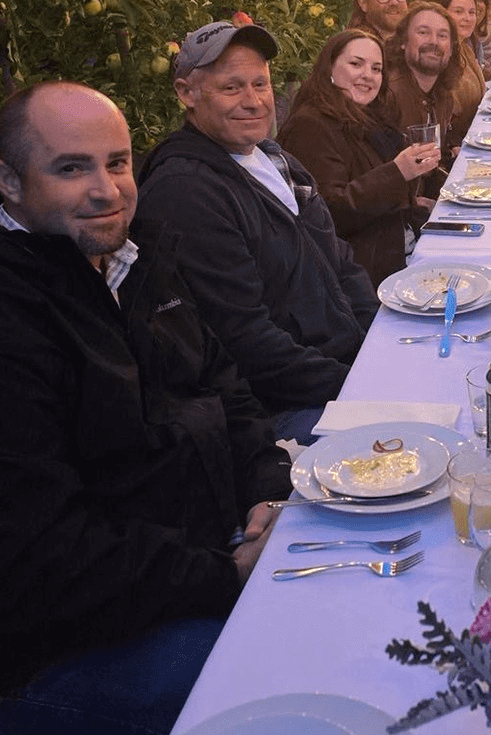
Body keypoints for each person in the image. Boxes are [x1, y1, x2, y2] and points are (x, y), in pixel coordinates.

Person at [0, 83, 291, 734]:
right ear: (10, 182)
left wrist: (269, 496)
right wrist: (227, 574)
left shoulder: (133, 260)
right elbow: (47, 555)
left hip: (196, 561)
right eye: (71, 167)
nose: (106, 190)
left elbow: (229, 392)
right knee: (292, 675)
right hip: (63, 649)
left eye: (117, 162)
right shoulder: (17, 314)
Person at [137, 20, 379, 439]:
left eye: (260, 85)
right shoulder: (187, 191)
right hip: (284, 410)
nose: (252, 101)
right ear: (186, 94)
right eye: (232, 88)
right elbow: (246, 342)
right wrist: (358, 385)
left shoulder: (274, 157)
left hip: (338, 370)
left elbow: (339, 260)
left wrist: (380, 345)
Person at [277, 30, 440, 287]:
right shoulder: (310, 126)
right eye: (356, 64)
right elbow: (330, 212)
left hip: (397, 243)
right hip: (363, 274)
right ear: (329, 68)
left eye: (376, 69)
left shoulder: (369, 116)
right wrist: (397, 173)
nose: (368, 75)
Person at [385, 2, 463, 196]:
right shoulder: (388, 95)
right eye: (423, 32)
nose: (434, 42)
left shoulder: (443, 94)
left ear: (451, 49)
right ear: (403, 41)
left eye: (442, 36)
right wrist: (412, 205)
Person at [438, 0, 487, 131]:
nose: (467, 18)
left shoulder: (465, 49)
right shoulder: (440, 57)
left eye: (472, 12)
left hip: (477, 131)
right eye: (459, 11)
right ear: (443, 13)